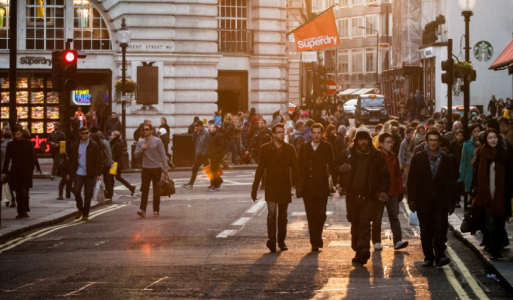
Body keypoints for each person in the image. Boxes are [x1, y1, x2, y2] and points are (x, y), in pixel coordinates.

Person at [338, 126, 390, 265]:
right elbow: (335, 167)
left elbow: (384, 176)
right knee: (355, 221)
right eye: (360, 140)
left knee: (365, 223)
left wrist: (383, 190)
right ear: (356, 141)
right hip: (352, 195)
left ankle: (364, 249)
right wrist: (340, 170)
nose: (363, 143)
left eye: (365, 139)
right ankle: (357, 248)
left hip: (369, 196)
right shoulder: (348, 154)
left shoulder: (376, 156)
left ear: (369, 140)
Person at [407, 129, 457, 267]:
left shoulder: (446, 159)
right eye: (431, 140)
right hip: (423, 200)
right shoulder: (418, 158)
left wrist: (452, 201)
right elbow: (411, 180)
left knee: (440, 228)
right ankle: (428, 256)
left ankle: (440, 256)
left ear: (439, 142)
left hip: (441, 200)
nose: (433, 143)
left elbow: (451, 181)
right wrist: (411, 198)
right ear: (426, 142)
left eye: (436, 140)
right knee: (426, 230)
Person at [251, 123, 301, 252]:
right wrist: (254, 187)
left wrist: (298, 186)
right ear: (273, 134)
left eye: (282, 132)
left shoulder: (290, 148)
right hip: (271, 185)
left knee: (283, 216)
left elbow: (296, 169)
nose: (281, 134)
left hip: (284, 185)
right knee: (272, 213)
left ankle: (281, 241)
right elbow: (260, 168)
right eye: (278, 132)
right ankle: (272, 240)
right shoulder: (265, 148)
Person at [471, 129, 513, 259]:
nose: (493, 140)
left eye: (495, 137)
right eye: (490, 138)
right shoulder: (482, 154)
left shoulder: (504, 154)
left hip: (501, 194)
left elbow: (510, 174)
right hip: (486, 194)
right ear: (486, 140)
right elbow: (477, 175)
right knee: (490, 222)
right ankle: (493, 249)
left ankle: (496, 245)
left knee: (500, 222)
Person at [297, 123, 338, 251]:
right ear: (311, 133)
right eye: (314, 132)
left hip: (321, 185)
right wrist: (297, 184)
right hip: (308, 186)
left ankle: (318, 236)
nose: (316, 135)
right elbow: (299, 166)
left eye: (318, 132)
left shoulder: (327, 146)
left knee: (321, 214)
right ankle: (314, 241)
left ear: (322, 133)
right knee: (311, 215)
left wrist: (336, 182)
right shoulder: (304, 147)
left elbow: (331, 164)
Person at [373, 133, 408, 251]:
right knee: (377, 218)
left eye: (391, 142)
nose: (390, 144)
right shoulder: (377, 156)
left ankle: (397, 241)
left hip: (393, 192)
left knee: (394, 217)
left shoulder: (393, 157)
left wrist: (401, 190)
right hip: (379, 193)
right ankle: (376, 241)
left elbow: (398, 175)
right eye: (387, 142)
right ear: (381, 144)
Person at [134, 123, 169, 217]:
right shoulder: (141, 142)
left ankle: (156, 210)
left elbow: (163, 154)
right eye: (143, 130)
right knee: (145, 190)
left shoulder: (157, 141)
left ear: (151, 131)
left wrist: (166, 167)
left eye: (147, 129)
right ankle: (142, 210)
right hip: (146, 169)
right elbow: (136, 155)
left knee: (156, 190)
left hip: (157, 168)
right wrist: (142, 148)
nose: (145, 131)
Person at [69, 127, 103, 222]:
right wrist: (70, 172)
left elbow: (98, 160)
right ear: (80, 134)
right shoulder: (76, 145)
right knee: (76, 191)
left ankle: (85, 215)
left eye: (86, 133)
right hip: (78, 172)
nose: (84, 135)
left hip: (89, 173)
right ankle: (80, 208)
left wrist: (98, 173)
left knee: (87, 195)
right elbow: (72, 160)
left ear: (89, 134)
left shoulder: (94, 145)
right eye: (83, 133)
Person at [1, 125, 35, 219]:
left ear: (21, 133)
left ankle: (24, 210)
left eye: (18, 134)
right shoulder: (10, 145)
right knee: (18, 192)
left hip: (26, 171)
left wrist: (31, 169)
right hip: (15, 172)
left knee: (24, 192)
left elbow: (32, 157)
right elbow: (7, 159)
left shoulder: (28, 143)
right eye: (15, 134)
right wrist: (4, 172)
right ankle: (20, 211)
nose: (17, 136)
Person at [181, 121, 211, 190]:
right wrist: (194, 132)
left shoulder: (206, 133)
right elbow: (193, 140)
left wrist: (204, 153)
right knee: (195, 168)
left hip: (204, 155)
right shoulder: (198, 132)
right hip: (199, 154)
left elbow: (208, 144)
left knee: (207, 170)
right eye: (195, 126)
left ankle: (214, 183)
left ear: (201, 126)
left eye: (197, 126)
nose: (195, 127)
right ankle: (190, 184)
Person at [459, 123, 483, 208]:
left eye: (479, 131)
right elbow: (463, 161)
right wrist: (461, 177)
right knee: (469, 192)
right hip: (470, 170)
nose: (477, 133)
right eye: (475, 131)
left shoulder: (484, 143)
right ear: (471, 133)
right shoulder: (467, 144)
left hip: (481, 170)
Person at [109, 131, 136, 196]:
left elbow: (117, 154)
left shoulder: (117, 143)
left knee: (111, 177)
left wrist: (111, 157)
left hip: (115, 163)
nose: (111, 136)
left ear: (115, 136)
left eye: (112, 135)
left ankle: (110, 192)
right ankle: (131, 187)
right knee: (117, 177)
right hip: (115, 163)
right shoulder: (115, 142)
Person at [90, 132, 113, 200]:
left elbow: (101, 155)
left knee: (96, 178)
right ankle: (109, 193)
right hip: (108, 162)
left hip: (104, 163)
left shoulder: (99, 143)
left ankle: (95, 193)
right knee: (107, 179)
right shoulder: (106, 141)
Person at [207, 124, 225, 191]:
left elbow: (222, 145)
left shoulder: (218, 135)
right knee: (213, 170)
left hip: (217, 155)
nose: (211, 129)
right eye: (210, 127)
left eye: (212, 127)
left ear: (215, 128)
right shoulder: (211, 135)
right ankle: (217, 182)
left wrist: (215, 151)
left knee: (213, 170)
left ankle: (216, 184)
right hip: (212, 155)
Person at [1, 130, 15, 207]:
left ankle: (8, 199)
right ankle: (13, 199)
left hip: (5, 166)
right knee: (13, 183)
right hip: (14, 165)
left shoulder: (2, 145)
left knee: (6, 183)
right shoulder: (14, 144)